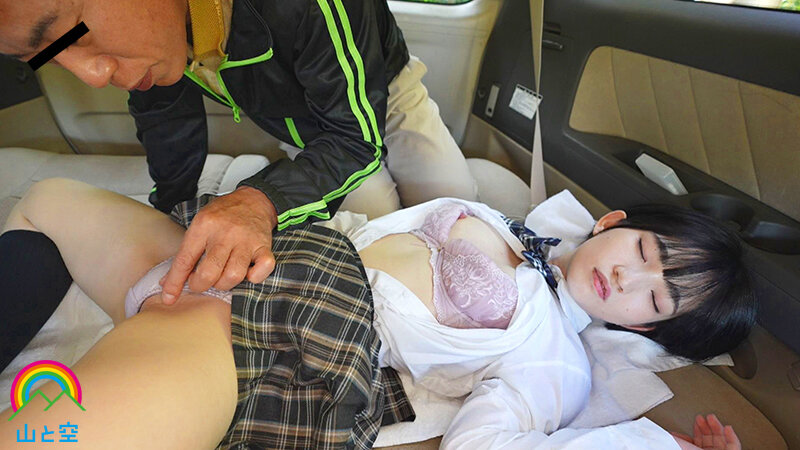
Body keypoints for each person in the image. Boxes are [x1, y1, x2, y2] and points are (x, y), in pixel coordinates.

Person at [0, 178, 754, 449]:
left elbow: (485, 447)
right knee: (45, 199)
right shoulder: (511, 222)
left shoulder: (551, 354)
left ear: (642, 330)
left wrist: (654, 446)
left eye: (654, 298)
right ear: (614, 220)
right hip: (234, 263)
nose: (628, 276)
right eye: (645, 251)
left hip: (263, 335)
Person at [0, 0, 478, 308]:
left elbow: (355, 137)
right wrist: (172, 209)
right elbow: (166, 117)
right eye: (45, 57)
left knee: (458, 203)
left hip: (383, 92)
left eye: (73, 34)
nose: (91, 76)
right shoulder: (161, 29)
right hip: (298, 124)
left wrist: (260, 201)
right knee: (373, 226)